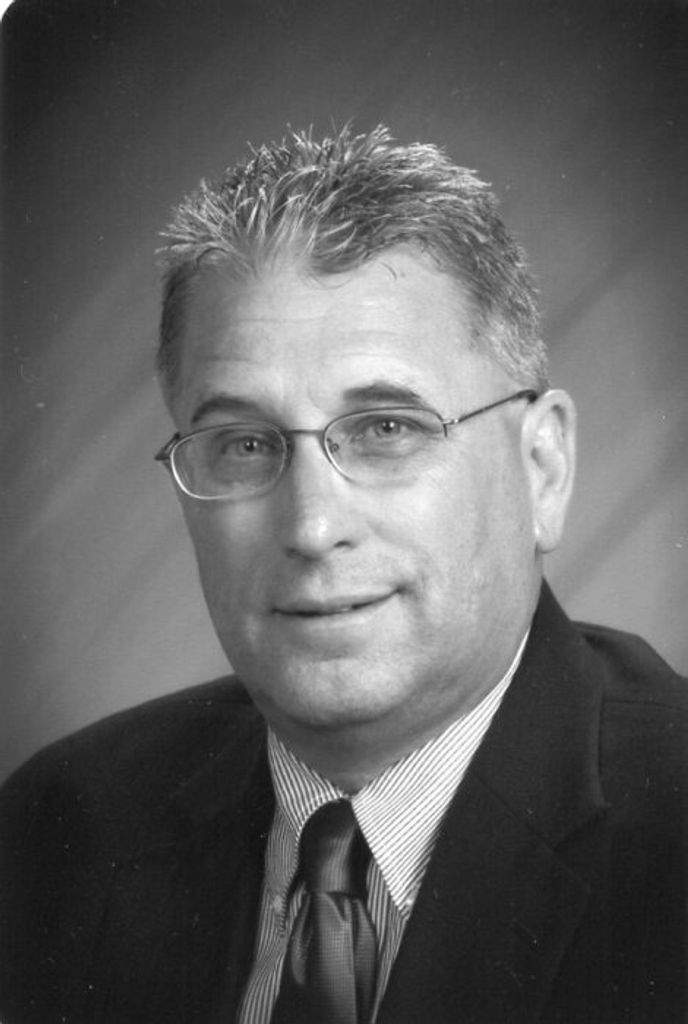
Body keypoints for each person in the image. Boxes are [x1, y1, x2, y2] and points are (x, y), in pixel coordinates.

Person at [0, 125, 685, 1024]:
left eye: (387, 429)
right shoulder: (55, 832)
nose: (313, 528)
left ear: (542, 467)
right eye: (244, 444)